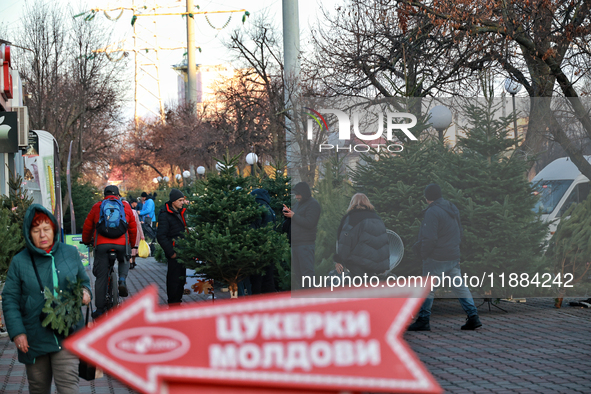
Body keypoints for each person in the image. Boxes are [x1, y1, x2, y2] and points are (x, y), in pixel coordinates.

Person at [2, 204, 92, 394]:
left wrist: (85, 292)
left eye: (46, 229)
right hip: (34, 337)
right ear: (29, 233)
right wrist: (18, 332)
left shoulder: (70, 253)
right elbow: (10, 299)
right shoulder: (20, 261)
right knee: (38, 388)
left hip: (68, 332)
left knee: (69, 388)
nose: (42, 235)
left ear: (54, 230)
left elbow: (84, 280)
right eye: (36, 231)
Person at [408, 183, 482, 331]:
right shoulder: (451, 208)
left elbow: (430, 238)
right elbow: (459, 232)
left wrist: (424, 254)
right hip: (452, 256)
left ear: (427, 197)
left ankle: (423, 320)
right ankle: (473, 316)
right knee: (460, 287)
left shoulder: (432, 212)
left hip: (436, 257)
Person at [82, 185, 137, 317]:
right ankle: (122, 280)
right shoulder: (125, 206)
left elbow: (88, 226)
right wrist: (132, 244)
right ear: (118, 195)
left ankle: (100, 310)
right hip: (121, 245)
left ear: (104, 195)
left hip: (102, 245)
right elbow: (133, 227)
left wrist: (86, 240)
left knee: (101, 277)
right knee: (124, 258)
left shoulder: (97, 206)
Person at [334, 193, 389, 277]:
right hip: (375, 261)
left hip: (358, 262)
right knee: (370, 285)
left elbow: (345, 241)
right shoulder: (377, 218)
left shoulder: (351, 218)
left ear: (352, 203)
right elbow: (383, 241)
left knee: (357, 285)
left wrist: (339, 259)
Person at [282, 181, 321, 290]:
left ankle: (311, 298)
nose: (296, 196)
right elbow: (295, 219)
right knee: (299, 274)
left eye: (298, 194)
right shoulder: (298, 204)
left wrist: (293, 215)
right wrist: (288, 213)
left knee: (307, 273)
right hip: (296, 243)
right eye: (295, 194)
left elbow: (310, 223)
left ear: (304, 193)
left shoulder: (313, 204)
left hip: (305, 244)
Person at [157, 188, 188, 305]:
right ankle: (173, 303)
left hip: (183, 251)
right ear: (173, 201)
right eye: (180, 200)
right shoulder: (165, 215)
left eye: (182, 200)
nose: (182, 202)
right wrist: (171, 252)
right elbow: (161, 236)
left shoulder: (181, 212)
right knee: (174, 279)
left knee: (181, 278)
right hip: (174, 252)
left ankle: (178, 302)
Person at [250, 188, 277, 294]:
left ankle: (256, 300)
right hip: (269, 247)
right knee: (268, 276)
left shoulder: (257, 208)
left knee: (256, 278)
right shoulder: (270, 209)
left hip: (259, 247)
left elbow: (253, 228)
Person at [129, 198, 145, 269]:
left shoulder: (124, 212)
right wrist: (142, 235)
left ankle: (130, 262)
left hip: (128, 232)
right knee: (135, 247)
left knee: (129, 248)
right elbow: (138, 224)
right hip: (136, 232)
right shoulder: (134, 212)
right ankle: (133, 261)